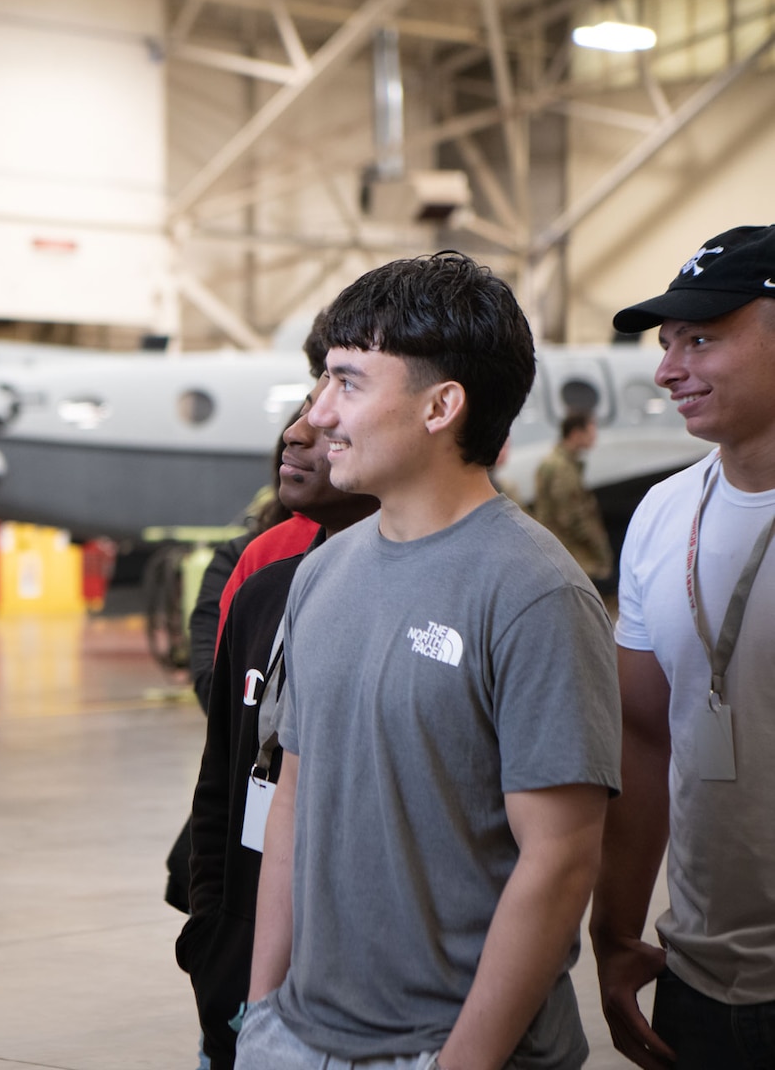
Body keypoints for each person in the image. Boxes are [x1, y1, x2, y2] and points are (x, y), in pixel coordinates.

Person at [238, 252, 622, 1070]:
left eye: (348, 383)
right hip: (294, 1037)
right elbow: (293, 798)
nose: (316, 416)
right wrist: (262, 1010)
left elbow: (560, 859)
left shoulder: (535, 593)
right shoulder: (320, 575)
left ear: (442, 406)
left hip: (449, 1052)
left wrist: (462, 1064)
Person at [592, 224, 775, 1070]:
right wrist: (616, 928)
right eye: (667, 344)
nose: (667, 369)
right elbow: (642, 733)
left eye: (701, 338)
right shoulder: (663, 517)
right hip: (696, 978)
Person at [177, 365, 379, 1070]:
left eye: (326, 423)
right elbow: (220, 786)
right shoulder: (265, 590)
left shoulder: (478, 594)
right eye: (300, 414)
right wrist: (215, 939)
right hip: (245, 963)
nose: (295, 436)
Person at [534, 409, 613, 581]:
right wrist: (600, 551)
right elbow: (571, 517)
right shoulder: (562, 469)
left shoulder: (556, 462)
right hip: (575, 557)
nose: (595, 438)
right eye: (591, 432)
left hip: (564, 555)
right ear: (577, 434)